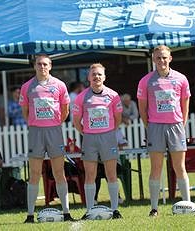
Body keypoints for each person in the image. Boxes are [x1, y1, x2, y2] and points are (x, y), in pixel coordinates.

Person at [19, 54, 75, 223]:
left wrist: (55, 122)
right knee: (34, 173)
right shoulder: (27, 86)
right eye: (39, 64)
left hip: (54, 131)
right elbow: (25, 112)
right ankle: (30, 215)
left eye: (45, 64)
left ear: (50, 66)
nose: (42, 67)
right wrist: (35, 122)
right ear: (34, 66)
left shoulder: (59, 85)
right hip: (36, 132)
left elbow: (65, 109)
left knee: (59, 172)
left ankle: (66, 212)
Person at [137, 45, 191, 217]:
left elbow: (185, 105)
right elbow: (142, 109)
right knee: (156, 168)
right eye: (158, 57)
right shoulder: (145, 81)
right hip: (155, 127)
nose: (161, 60)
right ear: (153, 59)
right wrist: (150, 126)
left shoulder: (181, 78)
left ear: (170, 58)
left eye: (164, 57)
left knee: (179, 167)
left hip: (176, 126)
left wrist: (181, 124)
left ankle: (188, 205)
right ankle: (154, 208)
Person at [73, 63, 123, 219]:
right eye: (93, 74)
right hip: (89, 138)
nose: (96, 77)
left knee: (111, 174)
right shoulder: (81, 97)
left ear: (104, 77)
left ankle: (115, 210)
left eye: (99, 74)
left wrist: (106, 132)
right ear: (88, 77)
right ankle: (89, 210)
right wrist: (88, 133)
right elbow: (76, 121)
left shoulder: (113, 96)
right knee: (90, 175)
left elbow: (118, 119)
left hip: (108, 137)